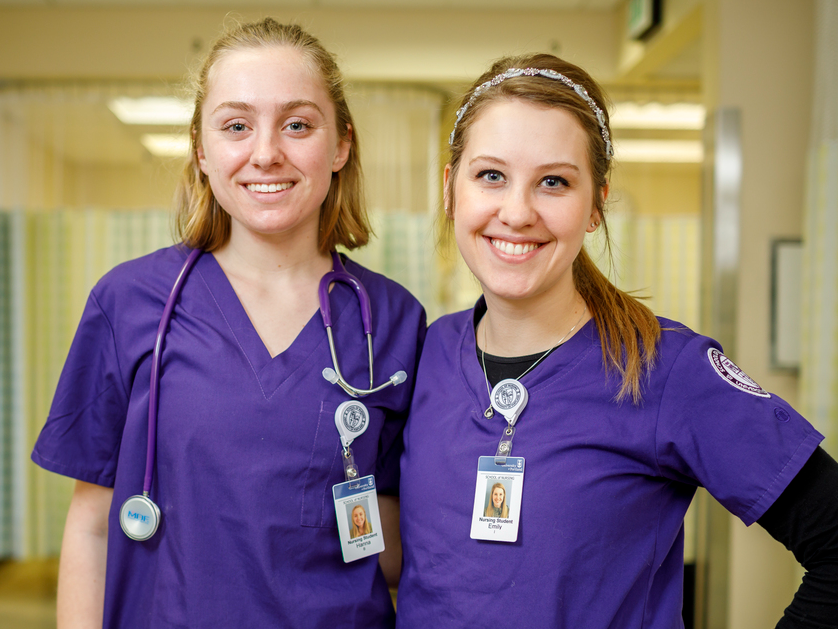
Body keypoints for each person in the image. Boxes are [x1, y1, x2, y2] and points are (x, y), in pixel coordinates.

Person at [397, 53, 838, 628]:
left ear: (596, 205)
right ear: (452, 188)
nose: (517, 211)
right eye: (491, 175)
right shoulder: (424, 353)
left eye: (553, 182)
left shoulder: (667, 369)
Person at [31, 18, 425, 629]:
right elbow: (90, 528)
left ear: (341, 145)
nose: (266, 152)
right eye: (236, 125)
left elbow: (398, 539)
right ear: (202, 149)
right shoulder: (131, 303)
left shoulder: (394, 321)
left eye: (298, 124)